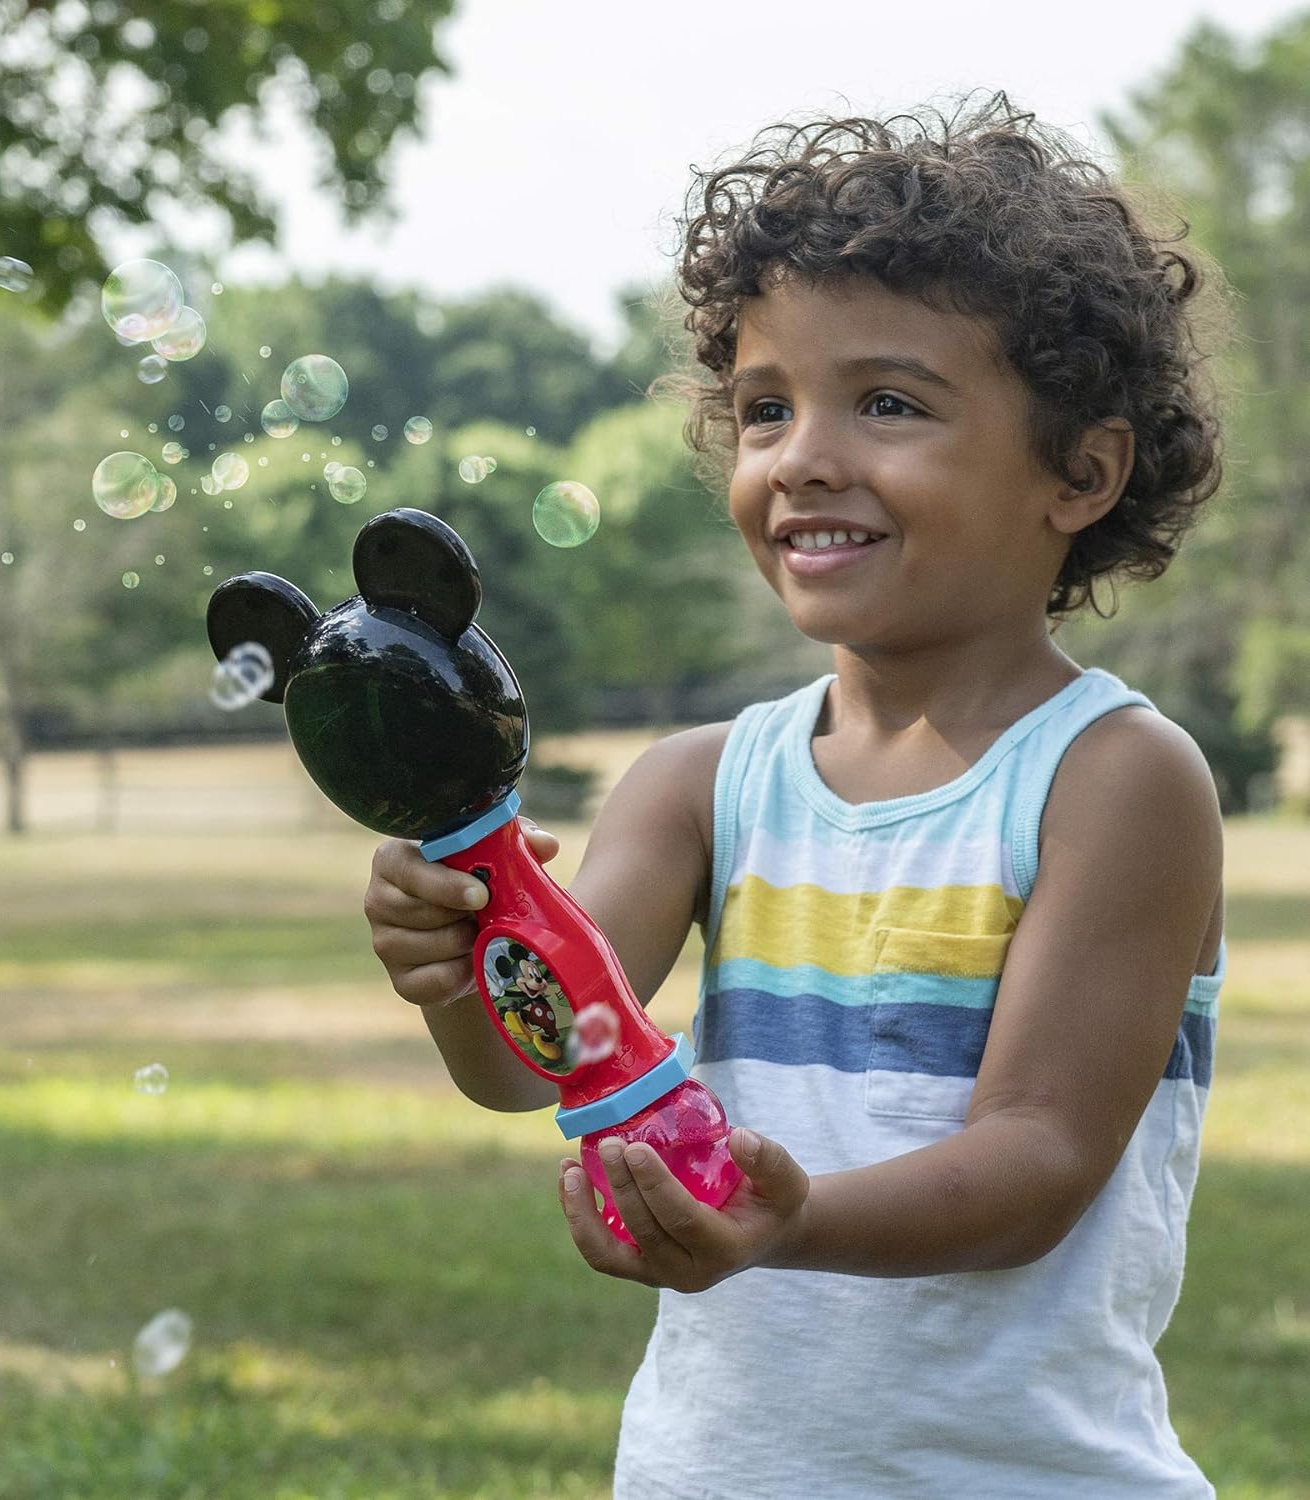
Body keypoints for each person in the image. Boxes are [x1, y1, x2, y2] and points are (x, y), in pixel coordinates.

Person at [363, 93, 1228, 1498]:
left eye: (887, 403)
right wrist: (455, 975)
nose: (804, 456)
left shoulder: (1113, 779)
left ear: (1082, 470)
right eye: (767, 408)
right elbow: (536, 1066)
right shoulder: (702, 784)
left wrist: (791, 1219)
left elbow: (1038, 1156)